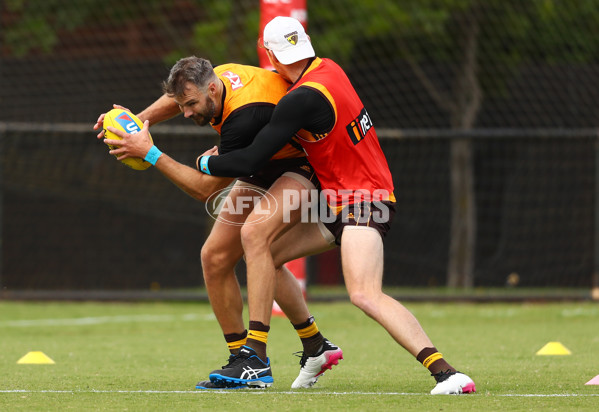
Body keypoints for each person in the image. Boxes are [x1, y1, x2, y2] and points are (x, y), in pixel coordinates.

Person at [191, 16, 476, 394]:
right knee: (264, 252)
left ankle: (447, 373)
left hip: (364, 200)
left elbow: (248, 161)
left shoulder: (302, 98)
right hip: (337, 200)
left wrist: (206, 162)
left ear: (272, 56)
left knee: (363, 294)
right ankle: (316, 347)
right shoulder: (330, 69)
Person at [97, 57, 343, 389]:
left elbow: (205, 189)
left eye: (192, 105)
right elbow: (177, 98)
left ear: (211, 88)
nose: (186, 113)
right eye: (183, 105)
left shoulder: (242, 119)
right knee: (214, 257)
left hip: (301, 163)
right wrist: (138, 122)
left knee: (255, 234)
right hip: (262, 162)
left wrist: (150, 152)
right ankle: (254, 358)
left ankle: (255, 359)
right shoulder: (217, 79)